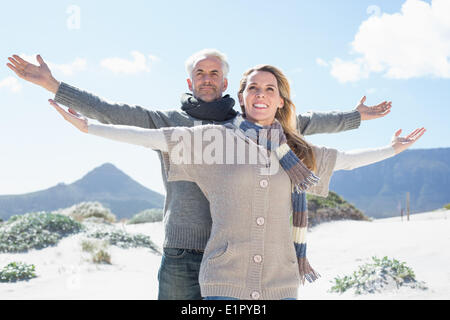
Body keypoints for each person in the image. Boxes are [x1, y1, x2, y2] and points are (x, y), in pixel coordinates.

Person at [7, 50, 392, 300]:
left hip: (237, 257)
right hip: (183, 250)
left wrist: (356, 117)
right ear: (189, 82)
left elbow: (301, 123)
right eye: (199, 73)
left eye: (214, 73)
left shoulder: (248, 124)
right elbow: (110, 111)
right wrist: (54, 86)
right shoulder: (168, 123)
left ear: (227, 84)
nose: (207, 78)